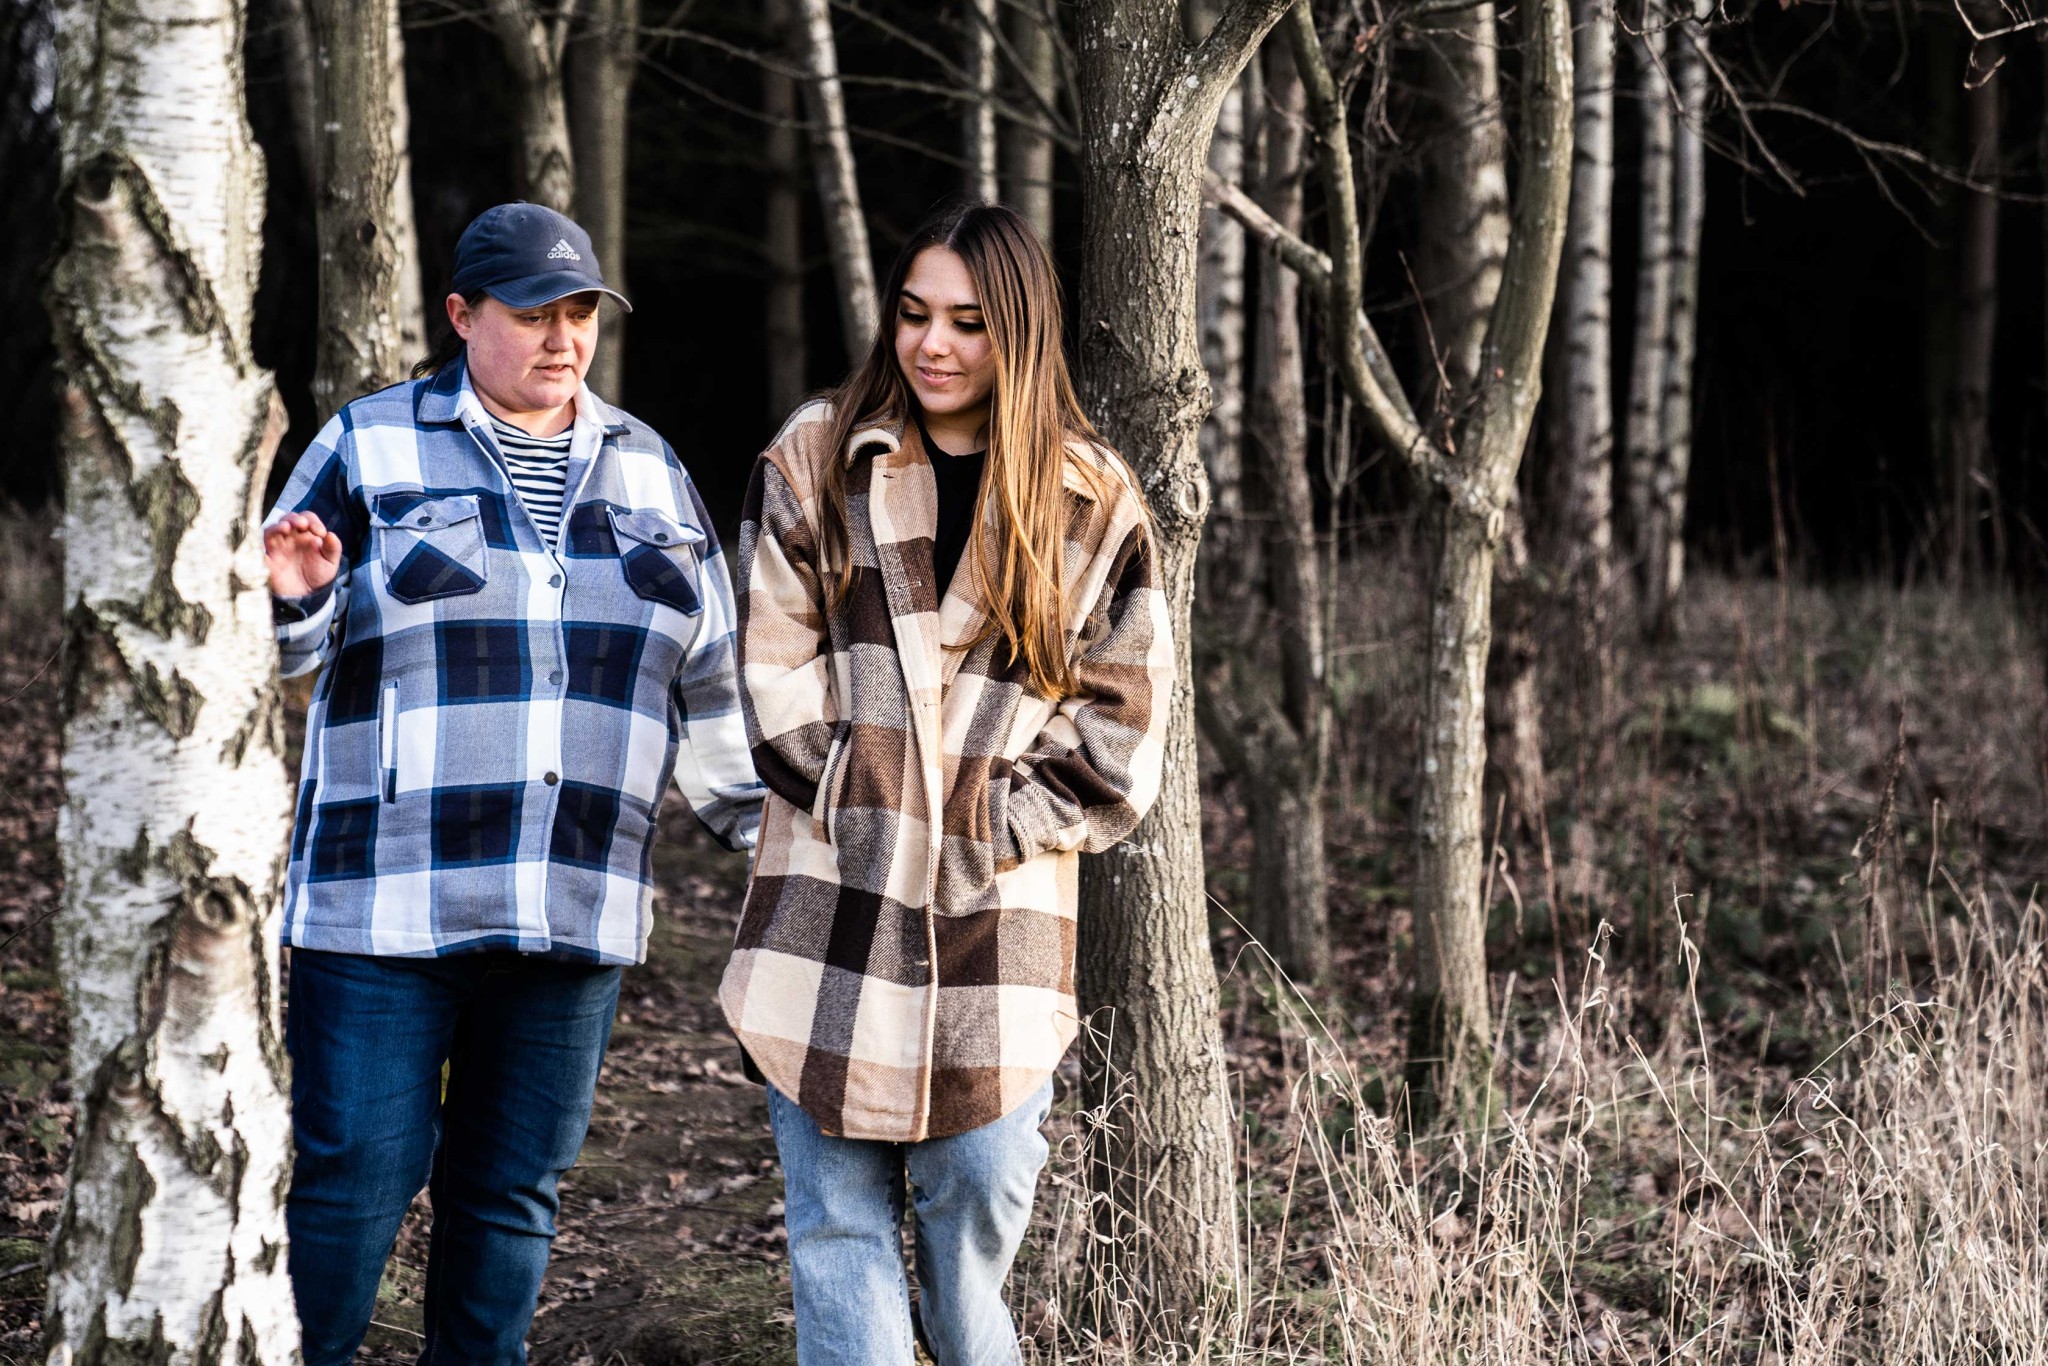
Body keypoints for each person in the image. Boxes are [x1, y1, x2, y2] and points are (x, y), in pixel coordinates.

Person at [262, 201, 763, 1366]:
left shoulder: (649, 467)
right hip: (384, 906)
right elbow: (275, 664)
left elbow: (714, 685)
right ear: (460, 314)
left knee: (510, 1199)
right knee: (351, 1192)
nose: (560, 337)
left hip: (572, 905)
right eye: (531, 312)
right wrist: (293, 600)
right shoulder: (368, 443)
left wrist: (777, 844)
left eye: (578, 312)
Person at [724, 199, 1173, 1364]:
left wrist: (992, 824)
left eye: (969, 324)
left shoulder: (1088, 497)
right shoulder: (819, 457)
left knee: (974, 1199)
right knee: (833, 1222)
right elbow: (770, 663)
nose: (933, 346)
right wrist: (852, 797)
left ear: (1017, 334)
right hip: (830, 894)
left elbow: (1123, 715)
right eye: (916, 315)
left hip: (1000, 913)